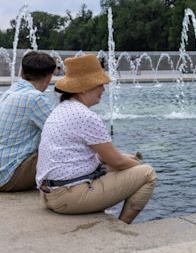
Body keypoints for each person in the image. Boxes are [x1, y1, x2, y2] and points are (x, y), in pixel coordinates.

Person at [36, 54, 157, 224]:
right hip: (68, 198)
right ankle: (122, 227)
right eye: (100, 84)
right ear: (84, 87)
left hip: (49, 193)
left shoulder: (62, 109)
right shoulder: (85, 116)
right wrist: (137, 165)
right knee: (147, 173)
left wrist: (124, 160)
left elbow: (101, 157)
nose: (103, 90)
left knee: (119, 163)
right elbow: (118, 162)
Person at [0, 51, 56, 192]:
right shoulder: (35, 98)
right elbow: (61, 133)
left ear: (22, 72)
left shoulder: (9, 93)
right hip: (9, 176)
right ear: (49, 78)